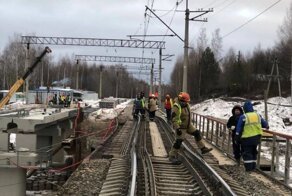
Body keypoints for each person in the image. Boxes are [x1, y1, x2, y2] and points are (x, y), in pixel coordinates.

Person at [169, 92, 212, 163]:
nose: (187, 103)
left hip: (188, 125)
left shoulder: (187, 105)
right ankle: (172, 156)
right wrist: (177, 128)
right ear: (181, 100)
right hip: (181, 127)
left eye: (187, 102)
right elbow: (174, 119)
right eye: (186, 101)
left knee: (197, 133)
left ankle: (203, 148)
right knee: (178, 141)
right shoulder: (176, 107)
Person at [235, 100, 268, 172]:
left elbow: (238, 128)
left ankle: (248, 169)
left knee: (247, 153)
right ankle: (253, 167)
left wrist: (237, 137)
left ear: (245, 109)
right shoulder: (257, 115)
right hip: (257, 138)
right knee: (254, 151)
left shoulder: (243, 116)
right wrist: (266, 126)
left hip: (247, 138)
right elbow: (265, 124)